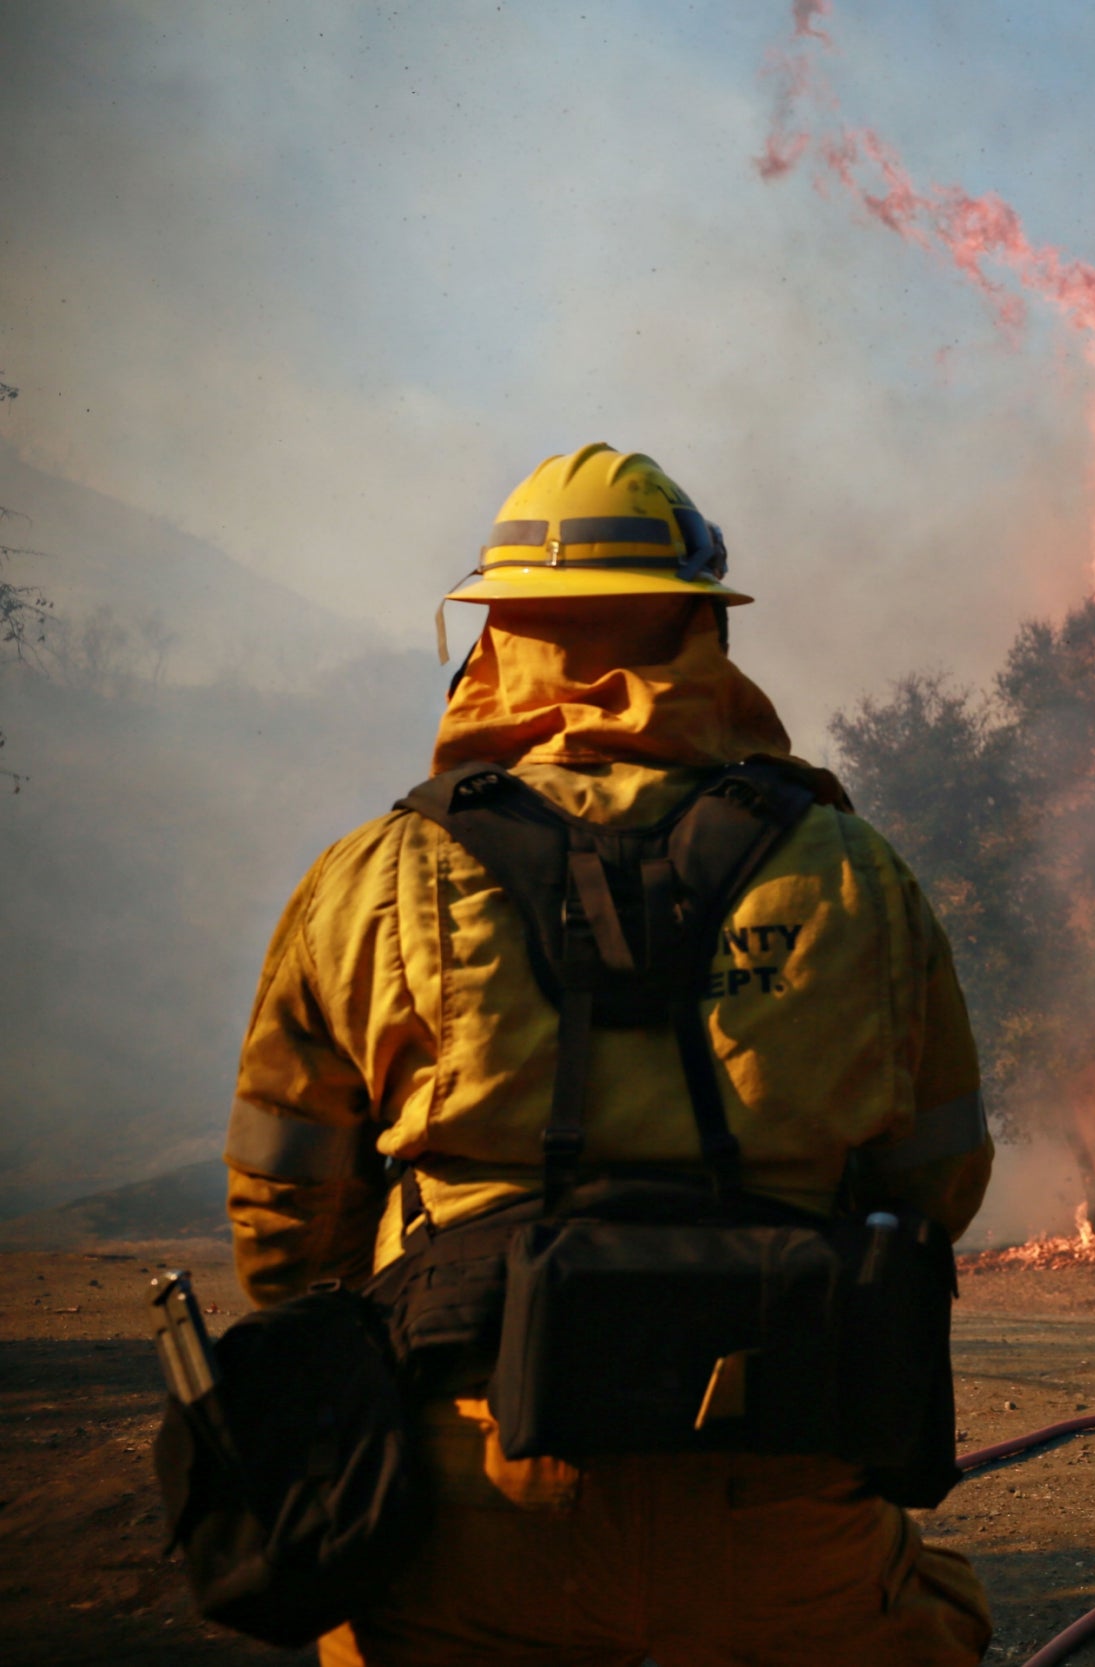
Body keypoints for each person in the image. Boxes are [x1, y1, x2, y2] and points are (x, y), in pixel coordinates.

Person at [222, 444, 994, 1667]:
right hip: (782, 1471)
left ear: (493, 638)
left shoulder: (373, 876)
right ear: (703, 632)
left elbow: (282, 1216)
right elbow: (938, 1178)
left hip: (472, 1490)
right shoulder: (854, 869)